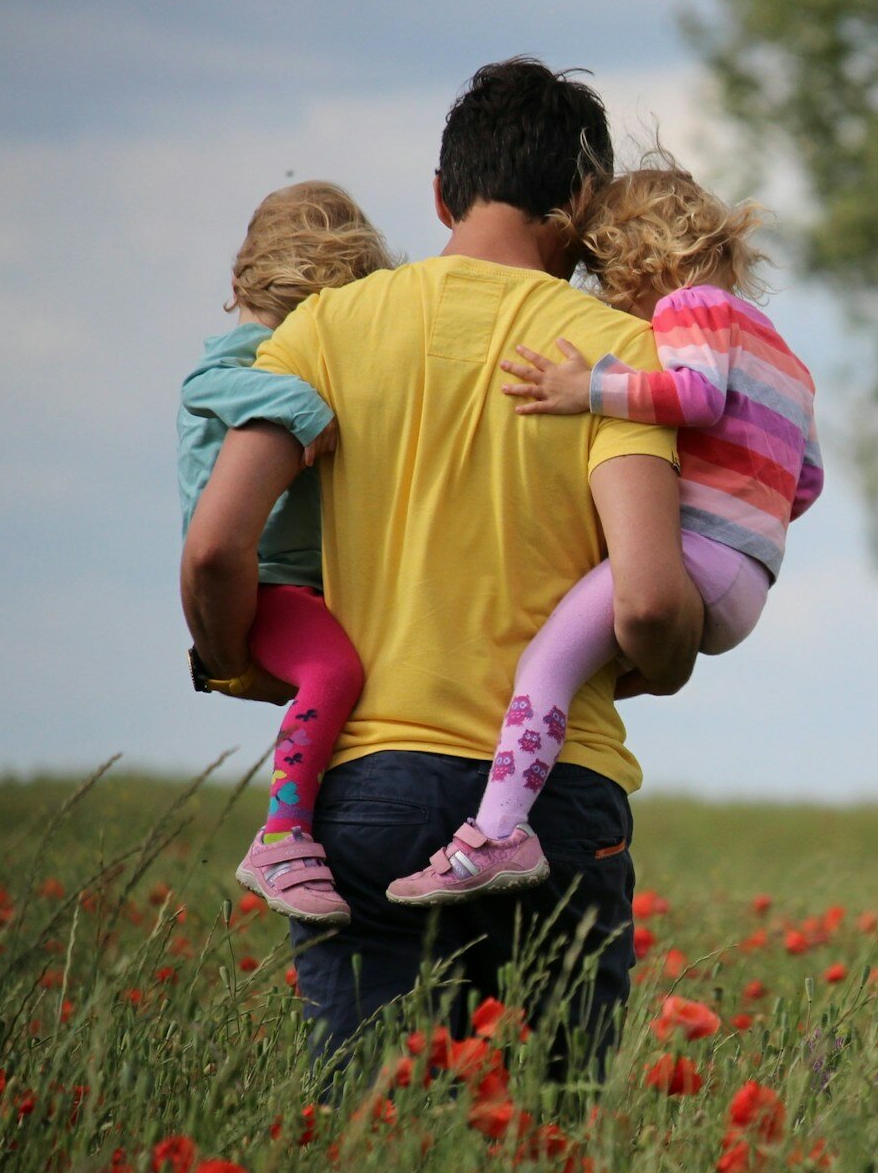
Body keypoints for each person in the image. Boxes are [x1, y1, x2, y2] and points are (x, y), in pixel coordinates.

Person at [181, 57, 703, 1058]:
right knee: (551, 1125)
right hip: (557, 797)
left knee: (374, 1126)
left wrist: (240, 658)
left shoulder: (322, 330)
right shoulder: (615, 353)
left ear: (439, 194)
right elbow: (645, 602)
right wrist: (667, 659)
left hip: (367, 783)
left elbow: (214, 546)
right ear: (583, 202)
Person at [387, 158, 824, 904]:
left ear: (641, 257)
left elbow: (694, 395)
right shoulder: (786, 355)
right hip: (749, 578)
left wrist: (585, 388)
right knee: (582, 670)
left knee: (544, 667)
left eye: (606, 273)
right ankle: (521, 794)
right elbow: (806, 481)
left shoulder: (691, 309)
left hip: (695, 556)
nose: (608, 296)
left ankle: (498, 833)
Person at [178, 181, 393, 925]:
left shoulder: (280, 349)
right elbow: (207, 383)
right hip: (267, 583)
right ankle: (283, 834)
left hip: (303, 584)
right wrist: (303, 407)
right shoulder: (246, 358)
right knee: (334, 671)